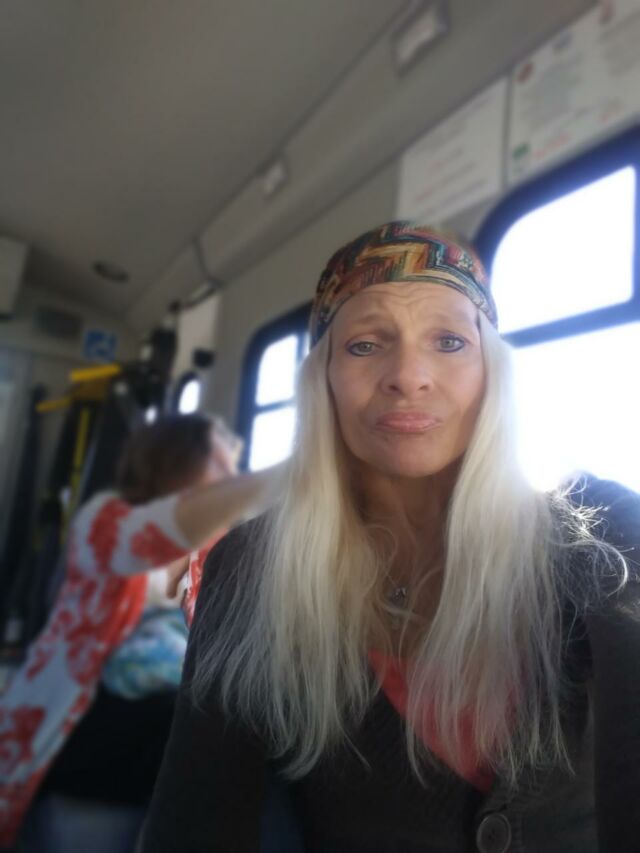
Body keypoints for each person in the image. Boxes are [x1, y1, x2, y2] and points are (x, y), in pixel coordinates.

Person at [141, 222, 640, 853]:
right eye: (364, 345)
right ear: (323, 379)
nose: (408, 374)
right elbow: (194, 823)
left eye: (450, 341)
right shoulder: (251, 566)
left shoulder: (606, 534)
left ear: (493, 372)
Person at [0, 412, 281, 849]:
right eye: (219, 463)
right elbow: (161, 533)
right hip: (91, 749)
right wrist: (283, 473)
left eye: (235, 466)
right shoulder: (105, 519)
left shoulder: (212, 552)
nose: (232, 476)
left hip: (161, 762)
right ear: (174, 461)